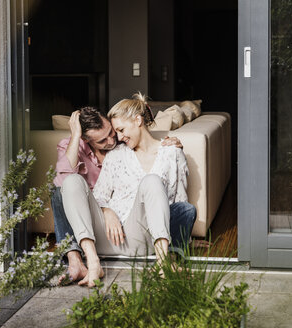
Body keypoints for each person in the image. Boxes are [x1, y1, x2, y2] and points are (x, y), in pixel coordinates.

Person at [59, 93, 195, 287]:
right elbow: (100, 196)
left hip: (144, 239)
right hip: (105, 237)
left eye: (121, 130)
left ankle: (164, 262)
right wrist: (107, 211)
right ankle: (93, 262)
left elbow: (180, 202)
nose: (119, 137)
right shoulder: (116, 154)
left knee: (152, 181)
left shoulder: (172, 152)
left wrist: (185, 238)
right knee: (71, 181)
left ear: (138, 120)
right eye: (117, 131)